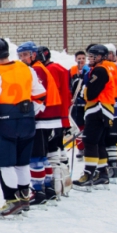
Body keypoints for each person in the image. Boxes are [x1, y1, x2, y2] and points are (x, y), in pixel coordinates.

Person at [0, 39, 46, 218]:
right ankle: (23, 199)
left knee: (5, 164)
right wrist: (29, 113)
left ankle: (12, 201)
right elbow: (40, 95)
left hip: (5, 124)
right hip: (28, 122)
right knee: (22, 163)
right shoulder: (27, 68)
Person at [17, 42, 62, 207]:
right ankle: (48, 189)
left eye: (25, 55)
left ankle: (38, 190)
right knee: (43, 156)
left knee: (35, 157)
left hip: (42, 118)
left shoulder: (35, 69)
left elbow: (35, 95)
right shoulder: (39, 67)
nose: (22, 59)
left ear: (33, 55)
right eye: (20, 56)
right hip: (48, 117)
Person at [73, 45, 114, 191]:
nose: (90, 58)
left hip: (98, 109)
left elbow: (90, 94)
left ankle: (88, 175)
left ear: (101, 56)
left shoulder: (100, 70)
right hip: (104, 110)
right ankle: (102, 174)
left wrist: (83, 90)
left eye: (93, 56)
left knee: (89, 141)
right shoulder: (104, 68)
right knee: (99, 142)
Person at [38, 46, 72, 197]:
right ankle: (63, 184)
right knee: (58, 150)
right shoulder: (61, 68)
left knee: (50, 153)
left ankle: (55, 187)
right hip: (62, 116)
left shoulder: (50, 70)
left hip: (51, 116)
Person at [102, 44, 117, 182]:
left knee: (109, 138)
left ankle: (111, 167)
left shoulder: (106, 67)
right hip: (113, 106)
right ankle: (112, 167)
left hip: (105, 106)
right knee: (109, 138)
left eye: (111, 53)